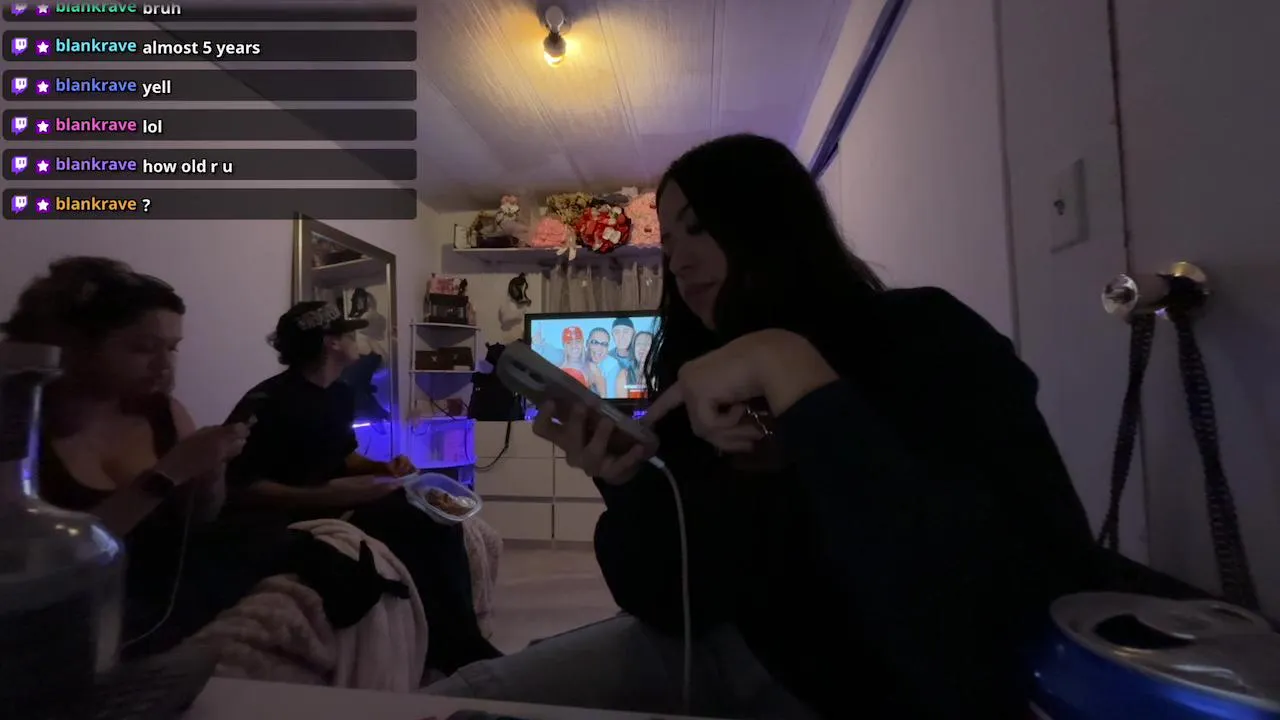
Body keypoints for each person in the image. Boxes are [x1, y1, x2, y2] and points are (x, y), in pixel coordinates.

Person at [426, 135, 1101, 718]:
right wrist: (627, 484)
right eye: (670, 241)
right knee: (460, 700)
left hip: (895, 691)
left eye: (699, 227)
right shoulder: (694, 375)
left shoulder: (922, 333)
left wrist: (789, 370)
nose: (678, 262)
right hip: (737, 651)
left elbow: (995, 593)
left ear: (770, 220)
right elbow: (672, 605)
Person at [2, 258, 403, 659]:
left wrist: (211, 473)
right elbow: (52, 564)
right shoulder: (19, 428)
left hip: (186, 568)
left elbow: (202, 519)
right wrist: (168, 473)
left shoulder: (165, 413)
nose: (165, 365)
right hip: (97, 606)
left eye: (172, 348)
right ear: (75, 347)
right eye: (144, 348)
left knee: (392, 529)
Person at [224, 301, 502, 675]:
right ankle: (453, 650)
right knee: (417, 522)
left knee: (435, 515)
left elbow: (342, 456)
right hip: (290, 514)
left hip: (339, 500)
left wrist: (382, 465)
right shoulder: (269, 401)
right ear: (331, 343)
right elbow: (241, 487)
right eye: (349, 333)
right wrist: (326, 496)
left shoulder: (339, 394)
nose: (357, 339)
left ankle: (460, 638)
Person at [614, 330, 653, 398]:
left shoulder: (660, 374)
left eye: (647, 344)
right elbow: (622, 403)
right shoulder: (624, 375)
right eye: (638, 344)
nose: (642, 348)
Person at [584, 326, 614, 396]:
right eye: (595, 342)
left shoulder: (612, 366)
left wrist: (597, 374)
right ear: (587, 344)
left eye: (604, 344)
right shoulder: (574, 361)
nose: (599, 348)